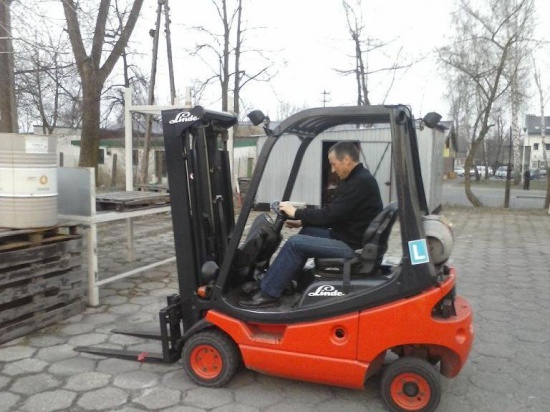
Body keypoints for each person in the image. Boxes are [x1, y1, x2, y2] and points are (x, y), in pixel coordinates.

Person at [239, 141, 383, 307]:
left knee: (295, 244)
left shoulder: (359, 183)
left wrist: (296, 212)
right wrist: (302, 221)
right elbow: (337, 213)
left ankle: (268, 293)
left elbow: (330, 215)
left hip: (352, 247)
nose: (333, 170)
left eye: (334, 164)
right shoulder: (358, 179)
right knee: (308, 231)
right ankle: (285, 281)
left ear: (346, 160)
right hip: (349, 237)